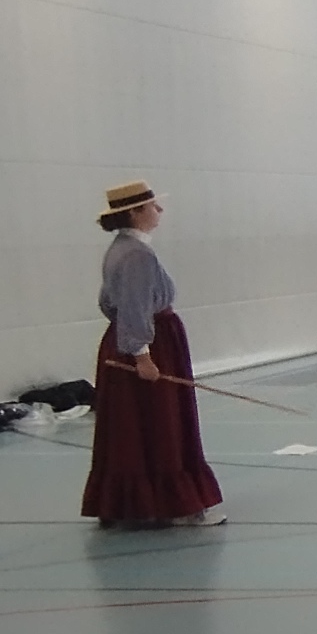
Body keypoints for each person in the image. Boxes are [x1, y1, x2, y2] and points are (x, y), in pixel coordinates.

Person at [83, 182, 226, 529]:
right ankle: (178, 506)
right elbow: (134, 308)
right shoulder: (136, 256)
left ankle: (134, 506)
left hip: (134, 343)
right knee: (163, 424)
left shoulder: (121, 249)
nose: (158, 211)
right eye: (152, 206)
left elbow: (108, 303)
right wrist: (142, 356)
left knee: (136, 427)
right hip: (152, 347)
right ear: (135, 212)